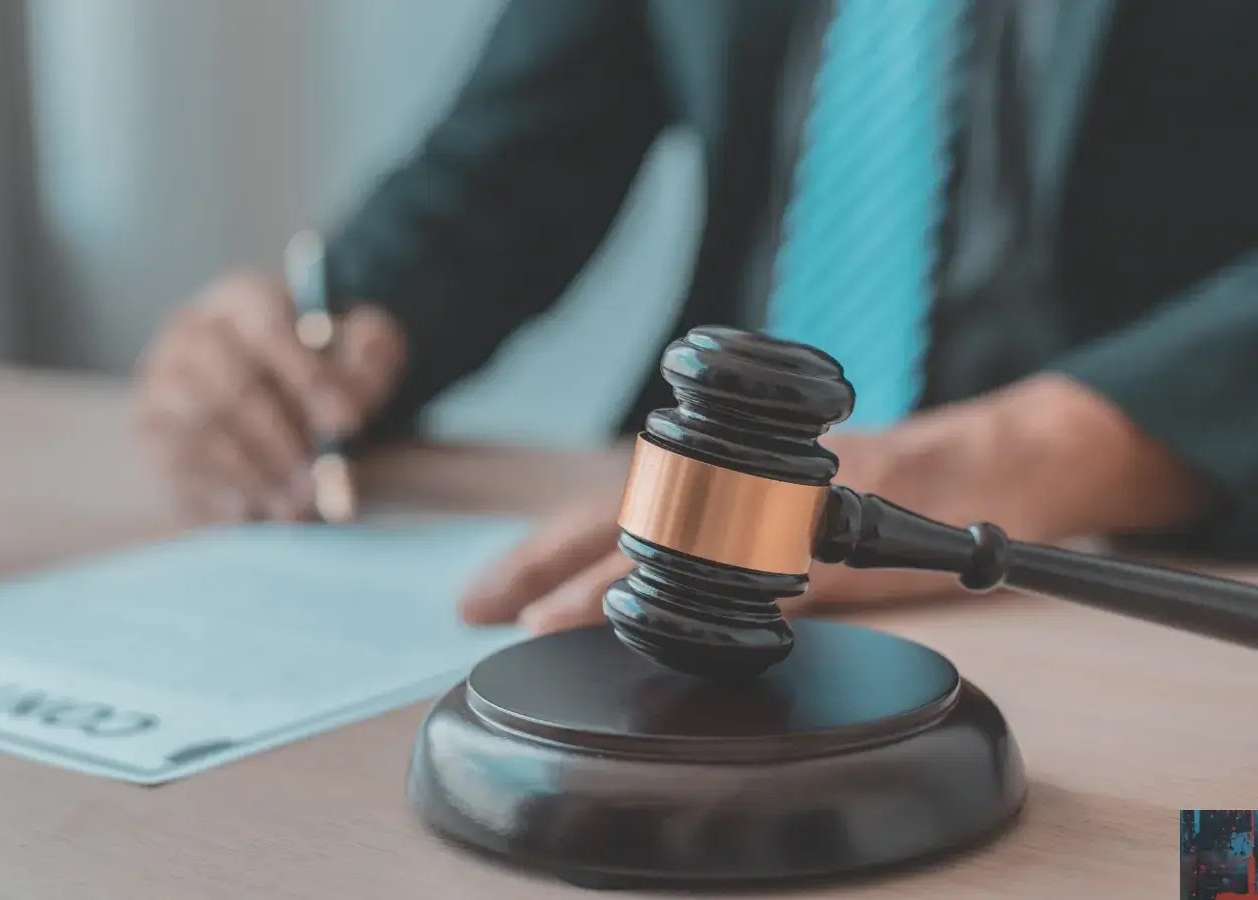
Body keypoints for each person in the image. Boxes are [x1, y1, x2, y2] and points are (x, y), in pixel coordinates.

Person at [138, 0, 1258, 634]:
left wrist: (1013, 456)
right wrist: (306, 351)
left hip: (1114, 583)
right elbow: (499, 177)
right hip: (674, 548)